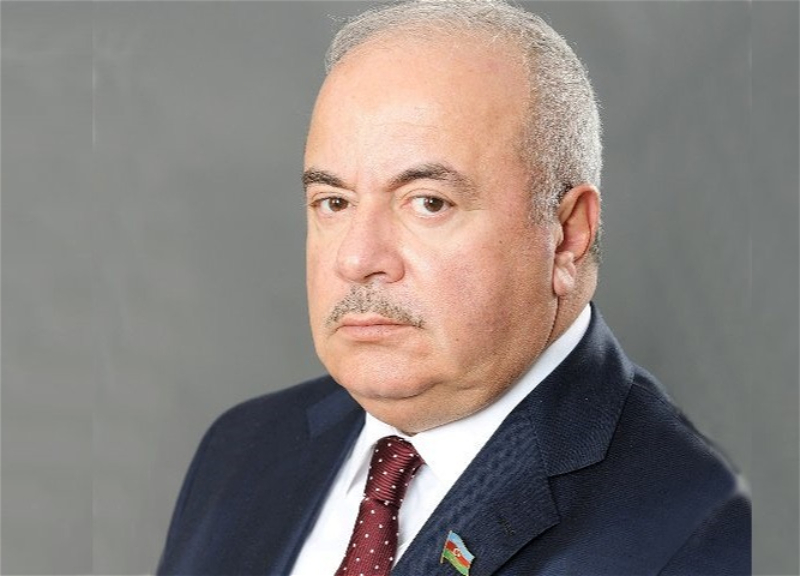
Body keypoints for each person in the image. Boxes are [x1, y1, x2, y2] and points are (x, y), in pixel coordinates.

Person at [157, 1, 750, 575]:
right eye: (334, 202)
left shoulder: (698, 528)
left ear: (567, 234)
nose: (357, 259)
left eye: (428, 203)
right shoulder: (241, 451)